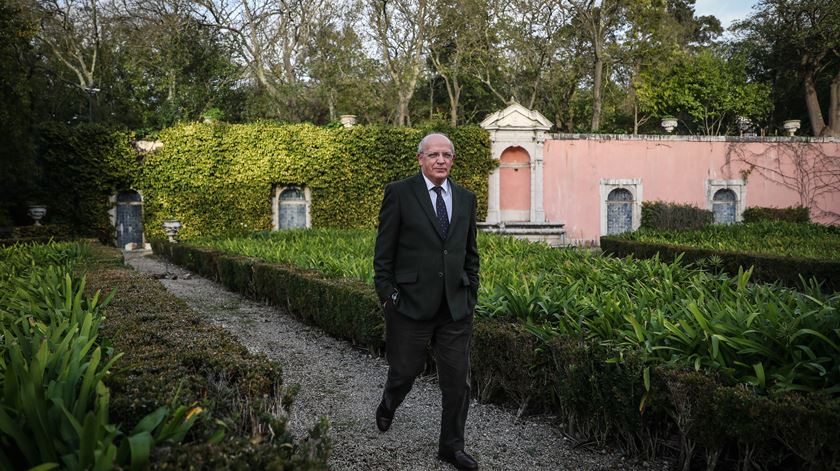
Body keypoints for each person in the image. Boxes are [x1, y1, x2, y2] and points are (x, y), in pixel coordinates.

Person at [373, 133, 480, 470]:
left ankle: (451, 447)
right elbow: (383, 253)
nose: (441, 160)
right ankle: (390, 401)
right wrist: (389, 295)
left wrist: (470, 290)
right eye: (433, 154)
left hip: (455, 308)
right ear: (420, 158)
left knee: (457, 382)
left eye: (446, 155)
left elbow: (469, 253)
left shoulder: (466, 198)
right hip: (410, 304)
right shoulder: (400, 193)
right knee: (404, 371)